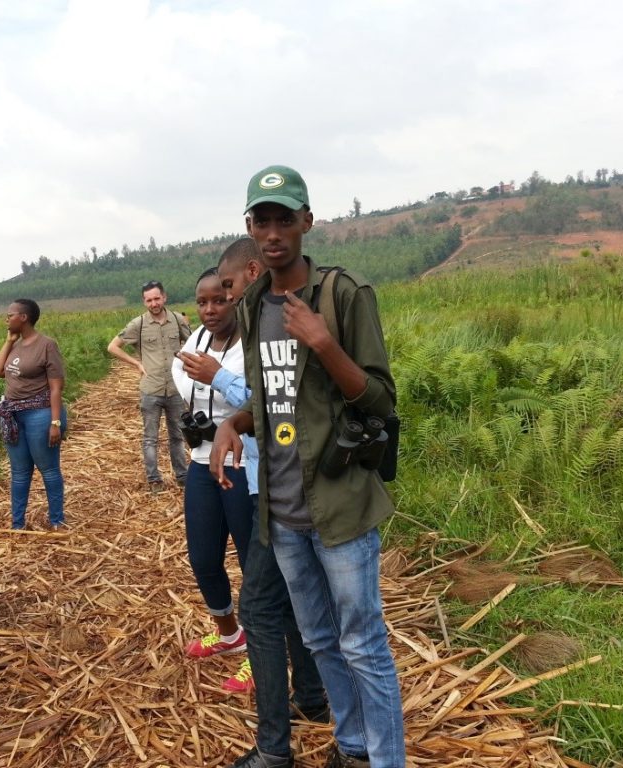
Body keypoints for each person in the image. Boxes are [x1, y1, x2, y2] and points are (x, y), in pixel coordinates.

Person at [210, 166, 406, 768]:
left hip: (339, 504)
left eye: (285, 219)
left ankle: (386, 759)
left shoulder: (343, 294)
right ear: (250, 227)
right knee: (319, 639)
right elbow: (269, 400)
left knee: (363, 644)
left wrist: (323, 343)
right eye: (262, 220)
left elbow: (380, 400)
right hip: (282, 510)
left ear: (307, 222)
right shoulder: (251, 307)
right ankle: (352, 749)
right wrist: (232, 422)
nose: (273, 233)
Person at [178, 238, 327, 767]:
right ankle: (312, 698)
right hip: (271, 480)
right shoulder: (246, 325)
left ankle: (275, 748)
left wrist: (221, 386)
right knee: (287, 599)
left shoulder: (272, 326)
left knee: (266, 606)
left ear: (252, 273)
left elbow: (275, 403)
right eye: (208, 297)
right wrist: (226, 420)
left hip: (271, 482)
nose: (220, 303)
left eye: (227, 291)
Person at [171, 269, 252, 661]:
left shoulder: (250, 342)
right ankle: (229, 633)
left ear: (234, 298)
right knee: (203, 558)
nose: (210, 310)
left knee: (254, 562)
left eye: (219, 300)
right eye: (202, 302)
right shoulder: (199, 338)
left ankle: (262, 650)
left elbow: (259, 400)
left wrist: (217, 378)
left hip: (242, 464)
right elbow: (179, 369)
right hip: (202, 462)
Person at [0, 299, 68, 530]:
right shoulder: (15, 345)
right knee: (19, 473)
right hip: (14, 416)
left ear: (23, 317)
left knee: (49, 469)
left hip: (40, 414)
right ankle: (18, 524)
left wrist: (55, 422)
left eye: (10, 315)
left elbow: (56, 388)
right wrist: (8, 341)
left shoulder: (46, 345)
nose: (6, 319)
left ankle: (57, 521)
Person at [108, 280, 191, 493]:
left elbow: (192, 344)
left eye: (157, 298)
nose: (154, 304)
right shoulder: (138, 324)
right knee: (150, 438)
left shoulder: (177, 320)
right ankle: (154, 480)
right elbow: (113, 347)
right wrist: (136, 363)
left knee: (177, 435)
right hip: (150, 389)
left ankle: (182, 476)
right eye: (149, 300)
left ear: (164, 297)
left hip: (175, 389)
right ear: (144, 302)